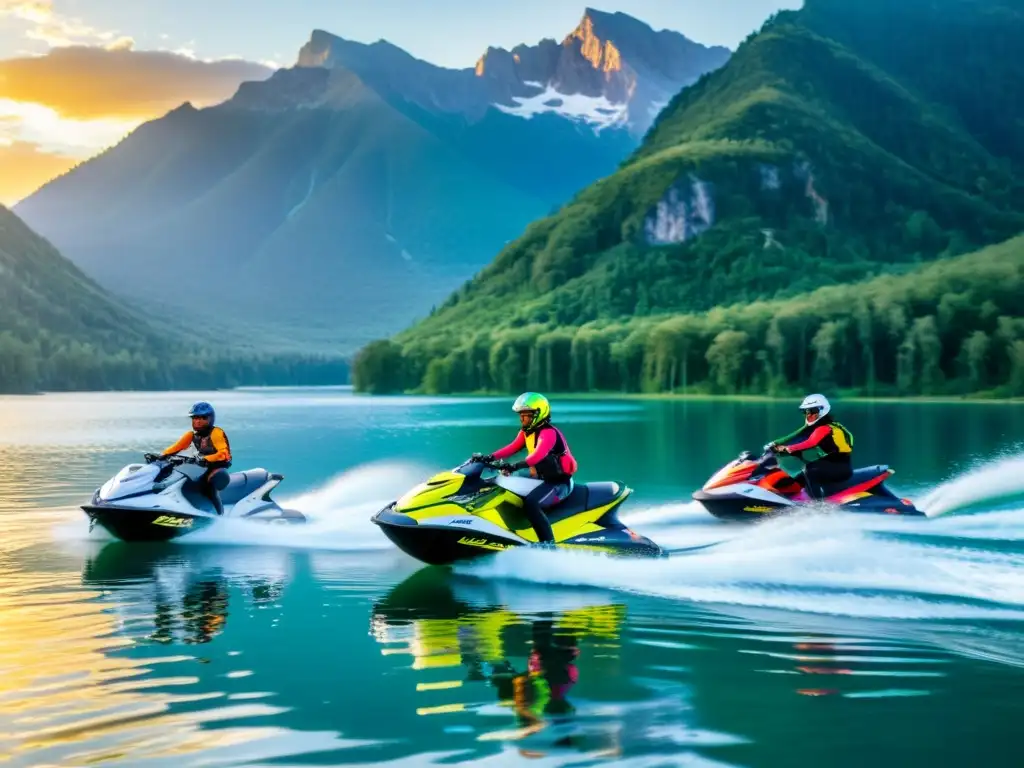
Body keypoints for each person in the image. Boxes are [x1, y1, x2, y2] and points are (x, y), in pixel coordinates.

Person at [473, 392, 578, 545]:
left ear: (538, 414)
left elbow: (537, 456)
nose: (522, 419)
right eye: (521, 415)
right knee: (497, 483)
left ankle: (548, 544)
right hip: (540, 477)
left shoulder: (548, 433)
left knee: (531, 503)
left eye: (526, 415)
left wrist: (514, 466)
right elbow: (511, 448)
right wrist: (488, 457)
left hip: (558, 483)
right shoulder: (526, 432)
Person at [766, 393, 853, 499]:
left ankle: (817, 507)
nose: (809, 415)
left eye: (812, 411)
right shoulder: (813, 427)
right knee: (796, 480)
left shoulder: (825, 428)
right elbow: (794, 437)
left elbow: (810, 443)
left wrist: (787, 448)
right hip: (829, 465)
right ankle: (782, 501)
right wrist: (774, 448)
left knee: (809, 470)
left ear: (822, 411)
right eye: (806, 411)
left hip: (840, 468)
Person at [159, 401, 232, 515]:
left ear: (210, 419)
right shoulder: (191, 435)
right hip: (201, 465)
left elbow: (223, 453)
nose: (198, 421)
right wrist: (161, 456)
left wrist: (206, 459)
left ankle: (220, 516)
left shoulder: (216, 432)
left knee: (209, 488)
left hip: (217, 466)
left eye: (202, 418)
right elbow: (175, 448)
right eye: (195, 417)